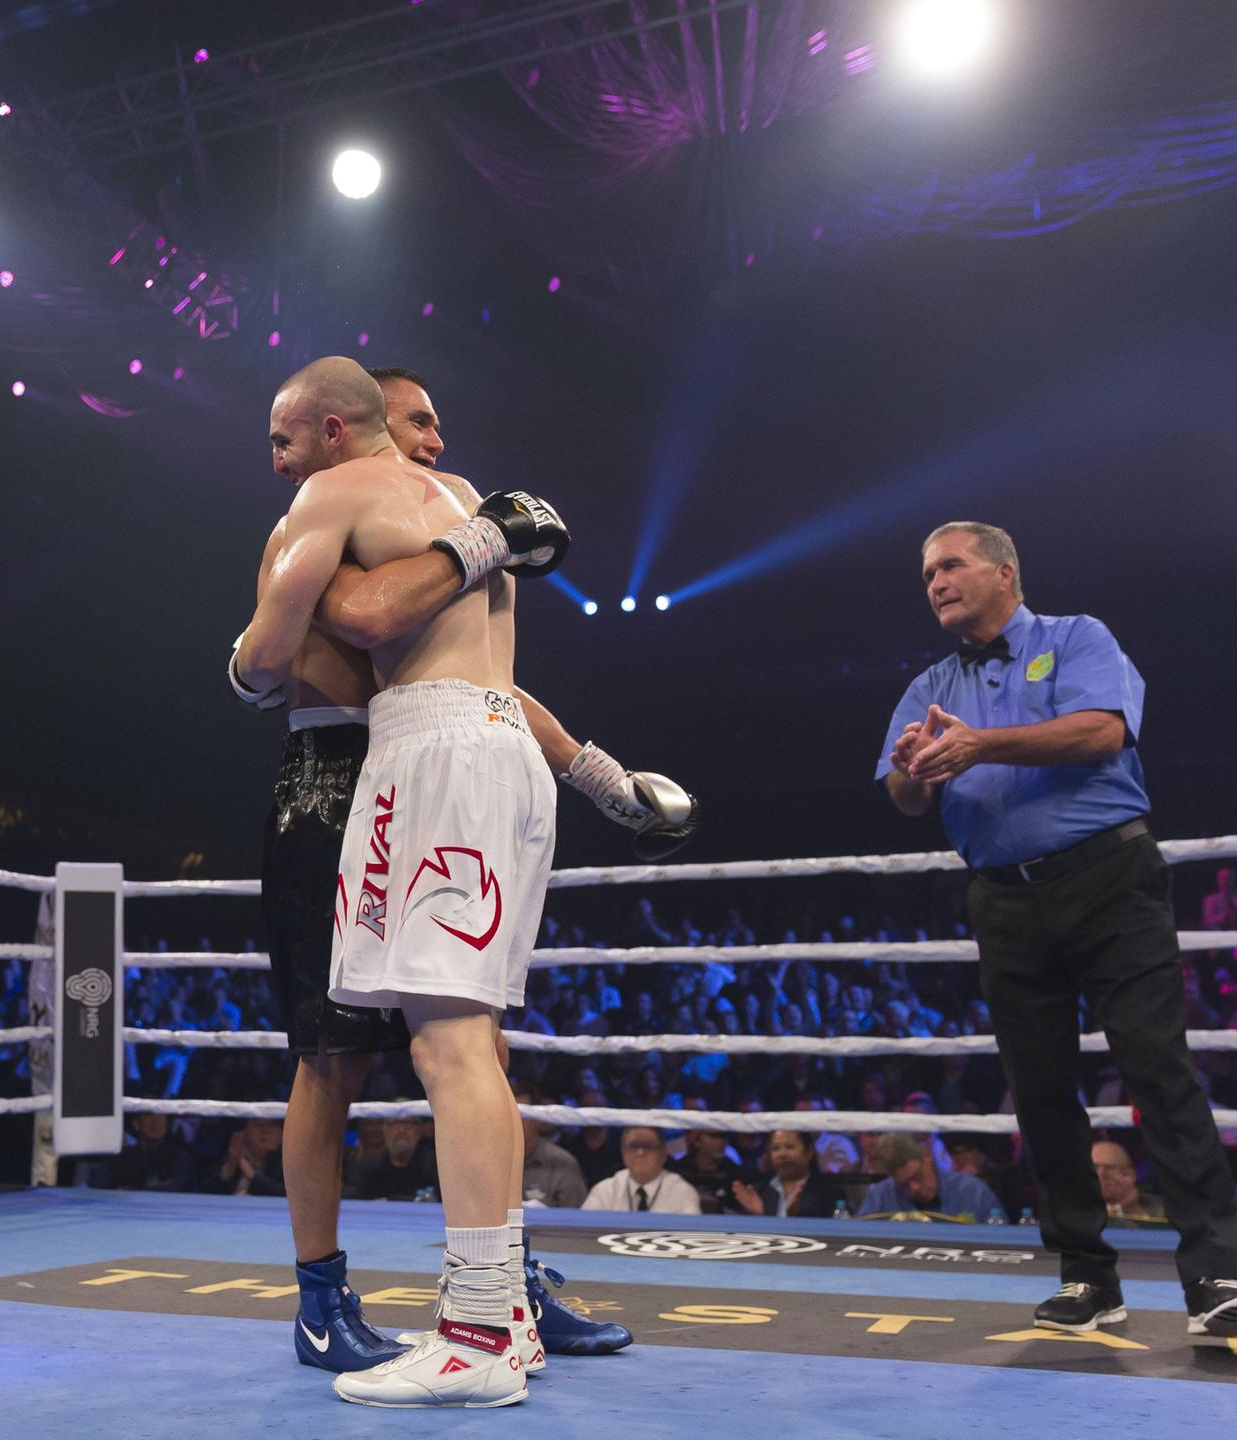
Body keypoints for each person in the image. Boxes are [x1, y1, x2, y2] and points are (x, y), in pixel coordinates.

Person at [235, 364, 682, 1386]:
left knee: (468, 1043)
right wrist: (481, 540)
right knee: (338, 1057)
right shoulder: (347, 509)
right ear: (362, 425)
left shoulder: (426, 505)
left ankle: (497, 1294)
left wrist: (603, 778)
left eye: (440, 424)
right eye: (419, 422)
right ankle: (325, 1302)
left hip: (431, 761)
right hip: (338, 782)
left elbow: (485, 679)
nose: (437, 442)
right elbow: (359, 618)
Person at [878, 521, 1237, 1339]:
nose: (936, 583)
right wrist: (914, 768)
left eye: (951, 566)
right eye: (926, 576)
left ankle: (1219, 1277)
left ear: (1004, 572)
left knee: (1157, 1070)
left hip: (1109, 881)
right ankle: (1086, 1276)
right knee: (1041, 1090)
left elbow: (1103, 731)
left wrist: (981, 746)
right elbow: (903, 796)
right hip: (1004, 899)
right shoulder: (929, 687)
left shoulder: (1076, 638)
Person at [855, 1132, 1003, 1220]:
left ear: (928, 1157)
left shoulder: (973, 1192)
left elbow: (1002, 1243)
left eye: (917, 1176)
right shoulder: (880, 1197)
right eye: (903, 1185)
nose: (914, 1188)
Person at [580, 1128, 702, 1214]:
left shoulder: (683, 1193)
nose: (640, 1153)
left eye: (648, 1146)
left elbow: (691, 1237)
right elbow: (583, 1231)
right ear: (623, 1152)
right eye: (634, 1146)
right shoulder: (604, 1190)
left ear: (663, 1153)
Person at [733, 1131, 849, 1219]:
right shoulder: (758, 1191)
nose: (782, 1154)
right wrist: (759, 1216)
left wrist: (794, 1217)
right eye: (775, 1148)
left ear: (809, 1152)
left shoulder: (830, 1193)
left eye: (790, 1147)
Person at [515, 1082, 586, 1210]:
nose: (513, 1122)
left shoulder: (563, 1163)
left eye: (521, 1116)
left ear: (538, 1120)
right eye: (507, 1115)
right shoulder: (486, 1160)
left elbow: (575, 1219)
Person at [348, 1114, 440, 1202]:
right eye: (395, 1122)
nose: (402, 1130)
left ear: (419, 1130)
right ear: (384, 1129)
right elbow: (351, 1201)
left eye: (409, 1123)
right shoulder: (365, 1168)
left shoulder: (437, 1166)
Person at [1094, 1140, 1166, 1220]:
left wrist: (1132, 1210)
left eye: (1109, 1168)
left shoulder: (1162, 1211)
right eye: (1094, 1167)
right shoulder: (1082, 1209)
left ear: (1129, 1175)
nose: (1100, 1174)